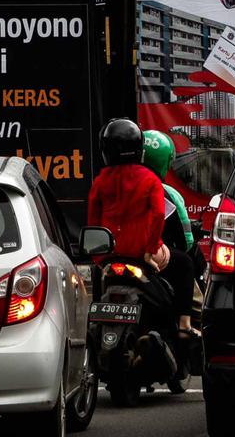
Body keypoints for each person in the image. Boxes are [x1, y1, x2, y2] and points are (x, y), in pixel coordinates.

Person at [87, 118, 197, 337]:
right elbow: (158, 215)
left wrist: (98, 258)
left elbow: (93, 221)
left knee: (98, 278)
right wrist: (150, 249)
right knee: (185, 263)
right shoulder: (150, 180)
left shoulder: (100, 181)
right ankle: (184, 325)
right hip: (142, 253)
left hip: (110, 255)